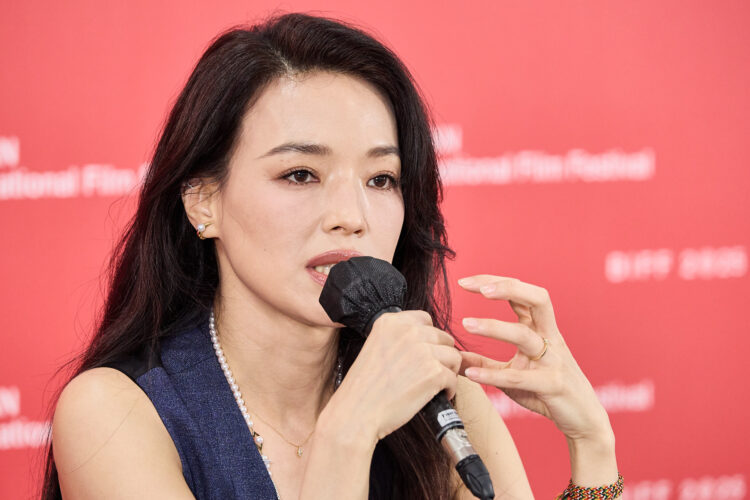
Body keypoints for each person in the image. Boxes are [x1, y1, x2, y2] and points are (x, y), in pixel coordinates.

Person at [42, 12, 622, 500]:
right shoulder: (115, 411)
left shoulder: (439, 401)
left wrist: (593, 447)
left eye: (381, 179)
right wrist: (347, 435)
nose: (352, 215)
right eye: (300, 174)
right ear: (203, 203)